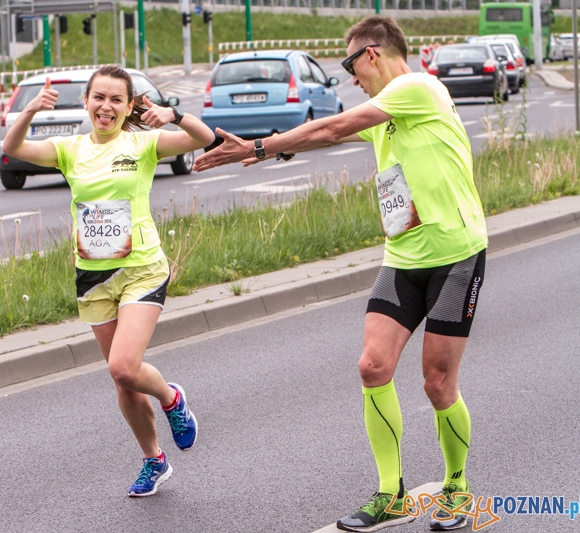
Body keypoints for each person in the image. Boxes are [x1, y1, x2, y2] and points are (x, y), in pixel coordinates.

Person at [193, 16, 488, 532]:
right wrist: (271, 146)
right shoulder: (389, 111)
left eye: (351, 64)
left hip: (455, 254)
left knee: (438, 383)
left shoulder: (418, 87)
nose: (351, 77)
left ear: (372, 54)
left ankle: (457, 488)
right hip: (404, 256)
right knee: (373, 366)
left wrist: (258, 148)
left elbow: (333, 125)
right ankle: (390, 493)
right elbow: (330, 137)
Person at [3, 65, 215, 497]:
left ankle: (172, 398)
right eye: (99, 97)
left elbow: (203, 138)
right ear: (86, 102)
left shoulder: (143, 143)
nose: (106, 106)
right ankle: (154, 460)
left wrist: (170, 114)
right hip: (93, 275)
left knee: (123, 365)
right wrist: (29, 111)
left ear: (129, 105)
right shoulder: (70, 149)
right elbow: (13, 147)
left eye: (116, 99)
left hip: (142, 269)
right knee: (122, 380)